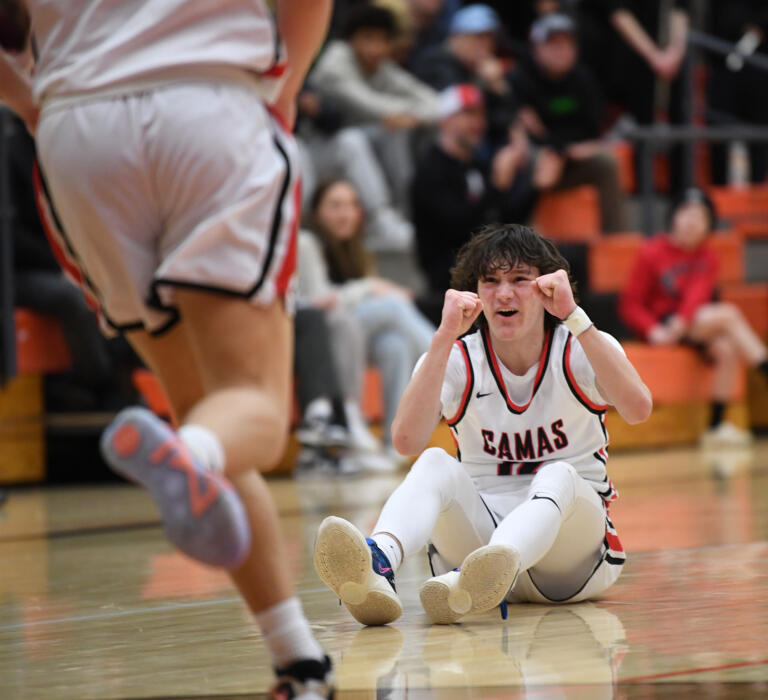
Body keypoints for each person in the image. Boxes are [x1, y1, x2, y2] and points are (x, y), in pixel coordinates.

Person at [3, 1, 334, 697]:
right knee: (255, 414)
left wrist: (35, 103)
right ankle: (191, 454)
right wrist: (285, 89)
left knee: (207, 410)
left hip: (78, 134)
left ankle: (298, 661)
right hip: (209, 104)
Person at [313, 223, 652, 626]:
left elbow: (637, 408)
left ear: (546, 288)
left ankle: (490, 568)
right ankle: (380, 561)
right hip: (478, 539)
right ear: (474, 292)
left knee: (557, 473)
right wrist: (442, 337)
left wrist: (575, 316)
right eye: (490, 281)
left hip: (570, 558)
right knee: (434, 461)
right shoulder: (457, 357)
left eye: (519, 280)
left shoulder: (578, 345)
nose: (503, 293)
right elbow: (406, 440)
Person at [298, 180, 435, 467]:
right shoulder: (307, 244)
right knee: (395, 306)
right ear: (317, 212)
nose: (345, 213)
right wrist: (370, 286)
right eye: (335, 206)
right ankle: (448, 362)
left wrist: (366, 286)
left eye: (351, 205)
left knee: (394, 345)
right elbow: (320, 301)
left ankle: (393, 444)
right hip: (321, 337)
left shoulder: (358, 250)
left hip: (354, 336)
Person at [619, 188, 768, 448]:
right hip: (661, 326)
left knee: (727, 347)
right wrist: (654, 330)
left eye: (700, 216)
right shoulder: (651, 252)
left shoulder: (707, 256)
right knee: (728, 315)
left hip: (688, 324)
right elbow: (630, 304)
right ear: (673, 216)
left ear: (708, 225)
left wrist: (681, 323)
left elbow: (696, 295)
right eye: (686, 213)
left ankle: (716, 426)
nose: (692, 221)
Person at [307, 4, 439, 251]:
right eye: (368, 38)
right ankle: (380, 219)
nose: (376, 48)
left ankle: (403, 212)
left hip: (354, 159)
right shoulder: (336, 61)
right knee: (352, 139)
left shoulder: (382, 68)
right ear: (351, 39)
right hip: (313, 154)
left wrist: (409, 116)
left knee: (394, 131)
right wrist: (404, 112)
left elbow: (434, 103)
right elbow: (369, 104)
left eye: (383, 40)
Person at [411, 83, 537, 323]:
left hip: (488, 264)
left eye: (480, 115)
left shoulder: (477, 165)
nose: (477, 123)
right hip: (449, 275)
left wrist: (536, 185)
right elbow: (458, 227)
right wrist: (498, 185)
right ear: (445, 121)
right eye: (467, 114)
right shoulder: (430, 169)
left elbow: (508, 218)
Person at [507, 13, 627, 233]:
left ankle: (614, 240)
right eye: (553, 44)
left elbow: (591, 128)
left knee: (607, 163)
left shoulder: (584, 80)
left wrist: (563, 148)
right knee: (529, 160)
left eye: (566, 44)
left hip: (573, 154)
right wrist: (552, 148)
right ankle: (519, 239)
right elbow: (519, 126)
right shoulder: (519, 79)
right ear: (536, 48)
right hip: (537, 155)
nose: (561, 50)